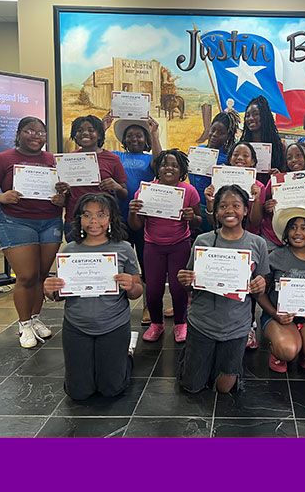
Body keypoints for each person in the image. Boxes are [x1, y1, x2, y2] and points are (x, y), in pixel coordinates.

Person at [43, 194, 143, 400]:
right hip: (76, 326)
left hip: (114, 325)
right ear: (78, 218)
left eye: (101, 215)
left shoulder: (123, 248)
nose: (94, 221)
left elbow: (137, 292)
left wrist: (130, 285)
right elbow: (60, 295)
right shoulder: (69, 250)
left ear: (111, 218)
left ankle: (126, 357)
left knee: (112, 390)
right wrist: (50, 290)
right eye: (87, 215)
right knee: (79, 393)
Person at [0, 117, 64, 348]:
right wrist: (2, 196)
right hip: (17, 222)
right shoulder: (3, 159)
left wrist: (61, 197)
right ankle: (23, 323)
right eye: (30, 131)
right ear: (19, 133)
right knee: (26, 276)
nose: (36, 136)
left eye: (41, 133)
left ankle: (36, 319)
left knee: (40, 275)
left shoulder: (53, 160)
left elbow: (62, 189)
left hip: (50, 222)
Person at [176, 185, 269, 394]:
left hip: (236, 325)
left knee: (224, 388)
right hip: (203, 321)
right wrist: (184, 279)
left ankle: (221, 365)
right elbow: (190, 283)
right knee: (192, 387)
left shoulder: (258, 244)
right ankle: (193, 360)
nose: (229, 210)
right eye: (223, 206)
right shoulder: (203, 241)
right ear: (216, 211)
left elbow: (261, 287)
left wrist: (260, 285)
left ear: (246, 210)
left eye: (236, 205)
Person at [128, 149, 202, 344]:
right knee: (153, 290)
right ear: (157, 169)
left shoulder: (189, 191)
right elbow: (136, 225)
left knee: (179, 289)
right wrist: (133, 212)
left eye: (175, 165)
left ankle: (180, 323)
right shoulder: (146, 190)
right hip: (153, 246)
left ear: (182, 170)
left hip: (180, 245)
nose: (169, 168)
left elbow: (198, 221)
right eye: (164, 164)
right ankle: (156, 323)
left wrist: (191, 217)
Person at [258, 208, 305, 373]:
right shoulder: (275, 257)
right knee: (287, 350)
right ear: (286, 231)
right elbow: (260, 293)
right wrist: (274, 314)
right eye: (293, 227)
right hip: (278, 317)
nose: (297, 232)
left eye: (304, 228)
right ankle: (279, 350)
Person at [204, 141, 265, 349]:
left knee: (250, 287)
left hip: (249, 244)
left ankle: (248, 326)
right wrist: (211, 202)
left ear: (254, 162)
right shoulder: (217, 184)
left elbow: (256, 221)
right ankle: (221, 324)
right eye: (235, 155)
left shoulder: (259, 187)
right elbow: (213, 221)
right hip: (224, 243)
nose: (240, 158)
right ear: (229, 160)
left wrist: (256, 199)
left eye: (245, 155)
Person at [110, 116, 163, 325]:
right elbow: (97, 156)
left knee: (147, 265)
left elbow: (159, 164)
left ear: (145, 139)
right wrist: (103, 128)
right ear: (124, 140)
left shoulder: (148, 159)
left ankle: (149, 306)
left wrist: (155, 134)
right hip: (118, 219)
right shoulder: (116, 156)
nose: (134, 138)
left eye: (139, 135)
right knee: (118, 265)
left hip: (143, 220)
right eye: (130, 135)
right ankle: (114, 306)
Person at [56, 115, 128, 241]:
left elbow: (124, 194)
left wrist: (116, 187)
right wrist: (62, 190)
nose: (85, 133)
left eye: (91, 130)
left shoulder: (113, 159)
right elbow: (63, 194)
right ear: (74, 134)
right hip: (75, 220)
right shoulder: (67, 159)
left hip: (104, 221)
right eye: (79, 130)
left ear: (99, 134)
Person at [188, 110, 241, 231]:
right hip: (193, 206)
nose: (214, 134)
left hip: (213, 208)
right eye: (213, 130)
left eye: (221, 133)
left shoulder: (228, 158)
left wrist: (225, 172)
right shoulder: (197, 150)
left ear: (228, 135)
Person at [260, 141, 305, 252]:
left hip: (298, 238)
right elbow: (261, 204)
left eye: (298, 155)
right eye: (289, 157)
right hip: (272, 236)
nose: (294, 160)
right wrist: (266, 207)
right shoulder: (277, 179)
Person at [240, 95, 286, 183]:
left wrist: (278, 175)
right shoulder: (240, 147)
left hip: (270, 194)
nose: (250, 118)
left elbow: (285, 175)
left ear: (265, 116)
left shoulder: (279, 148)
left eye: (256, 114)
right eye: (247, 115)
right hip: (245, 192)